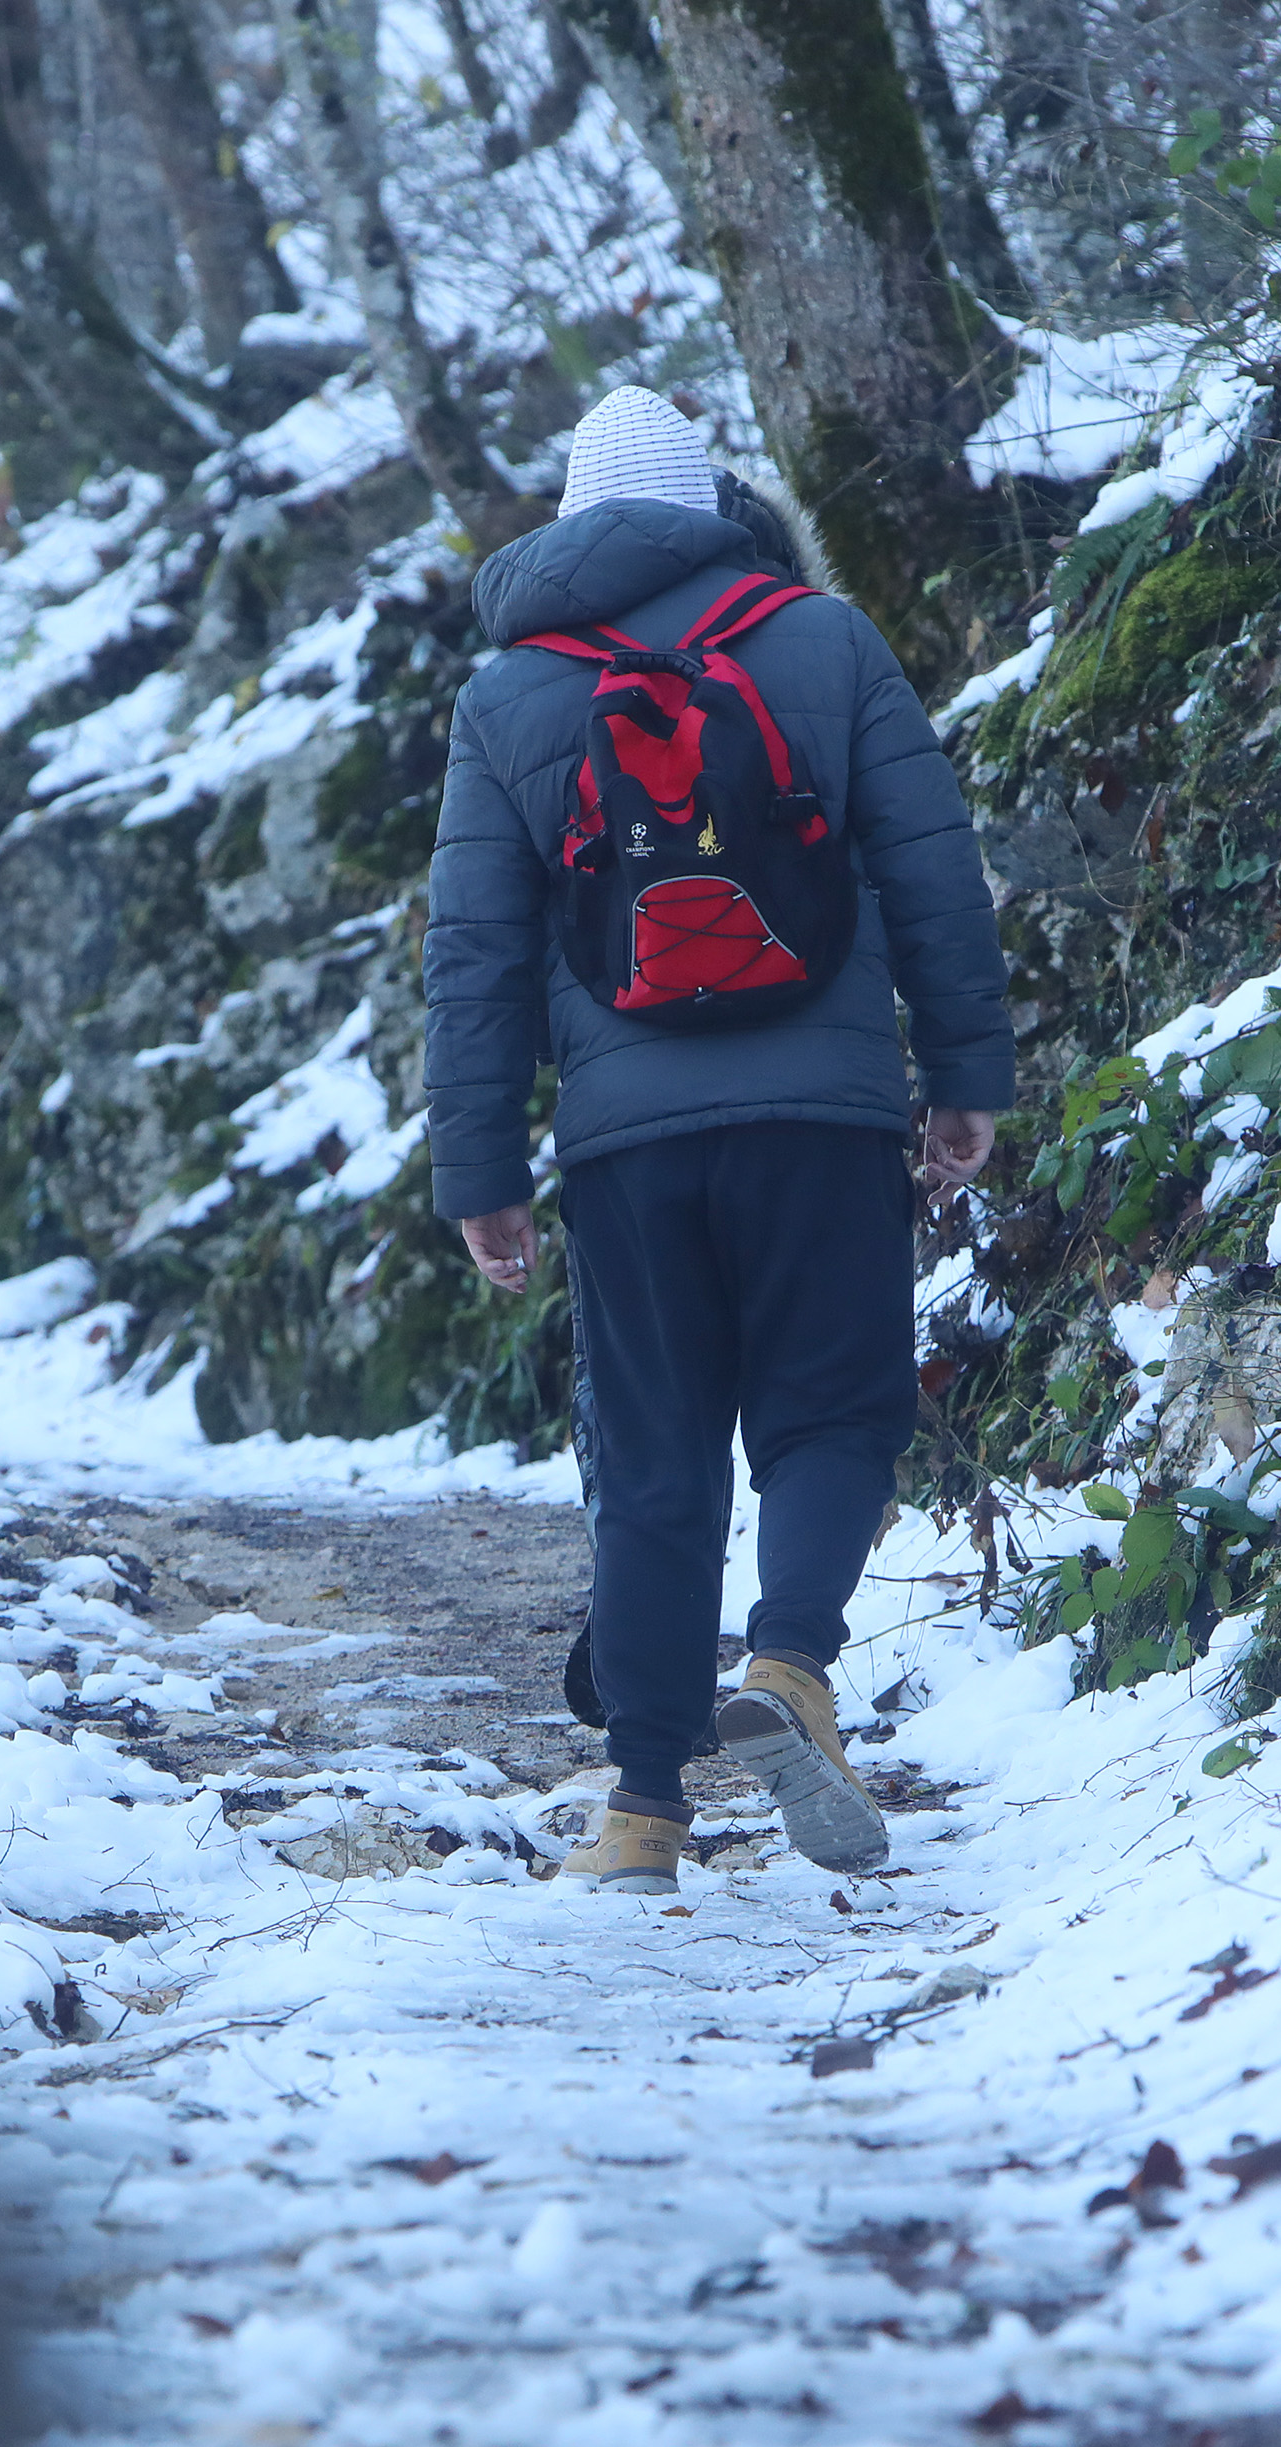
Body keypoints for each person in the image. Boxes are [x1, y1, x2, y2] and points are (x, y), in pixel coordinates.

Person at [421, 386, 1013, 1894]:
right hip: (822, 1113)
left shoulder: (509, 697)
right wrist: (964, 1078)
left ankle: (639, 1815)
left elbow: (475, 955)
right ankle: (794, 1666)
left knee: (656, 1457)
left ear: (567, 524)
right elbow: (935, 876)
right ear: (716, 504)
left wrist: (482, 1173)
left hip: (627, 1147)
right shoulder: (823, 639)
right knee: (833, 1411)